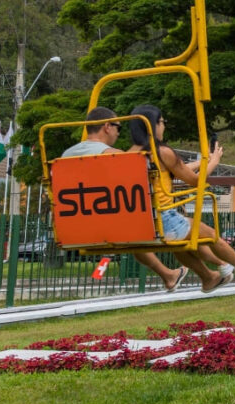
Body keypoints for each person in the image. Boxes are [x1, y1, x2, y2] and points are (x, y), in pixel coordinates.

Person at [127, 105, 235, 293]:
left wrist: (205, 162)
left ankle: (210, 277)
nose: (164, 127)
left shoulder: (128, 155)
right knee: (211, 235)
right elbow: (195, 181)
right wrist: (215, 163)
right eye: (162, 122)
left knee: (182, 246)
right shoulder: (162, 152)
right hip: (164, 219)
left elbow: (176, 171)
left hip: (142, 223)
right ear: (153, 125)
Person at [58, 107, 189, 293]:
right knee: (145, 223)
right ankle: (219, 267)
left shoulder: (65, 156)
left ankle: (169, 275)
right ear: (107, 127)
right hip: (113, 222)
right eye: (118, 128)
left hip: (77, 226)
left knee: (133, 230)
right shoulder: (115, 156)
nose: (119, 134)